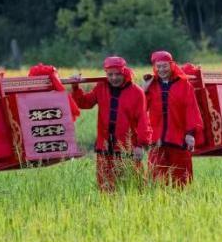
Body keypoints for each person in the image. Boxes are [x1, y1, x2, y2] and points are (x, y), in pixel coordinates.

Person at [72, 56, 152, 192]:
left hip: (128, 149)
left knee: (135, 186)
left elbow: (143, 121)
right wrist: (75, 86)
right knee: (106, 186)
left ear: (124, 71)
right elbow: (85, 103)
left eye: (117, 74)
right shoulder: (101, 87)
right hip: (104, 148)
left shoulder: (137, 92)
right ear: (106, 74)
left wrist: (140, 145)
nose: (114, 78)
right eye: (110, 74)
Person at [144, 51, 203, 186]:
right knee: (156, 180)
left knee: (182, 179)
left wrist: (190, 134)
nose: (161, 70)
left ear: (172, 65)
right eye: (158, 66)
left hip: (179, 138)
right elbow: (141, 109)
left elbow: (191, 109)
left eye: (165, 66)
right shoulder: (151, 84)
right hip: (156, 140)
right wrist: (144, 89)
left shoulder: (184, 84)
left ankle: (182, 205)